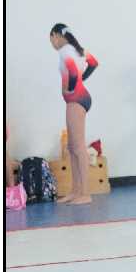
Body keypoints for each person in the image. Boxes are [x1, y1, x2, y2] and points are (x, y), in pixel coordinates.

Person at [49, 23, 98, 205]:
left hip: (76, 99)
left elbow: (72, 70)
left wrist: (71, 88)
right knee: (72, 147)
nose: (52, 44)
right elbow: (93, 63)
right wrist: (80, 80)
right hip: (79, 97)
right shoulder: (78, 50)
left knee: (78, 147)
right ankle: (76, 191)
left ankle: (85, 193)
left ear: (56, 35)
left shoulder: (65, 51)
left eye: (51, 40)